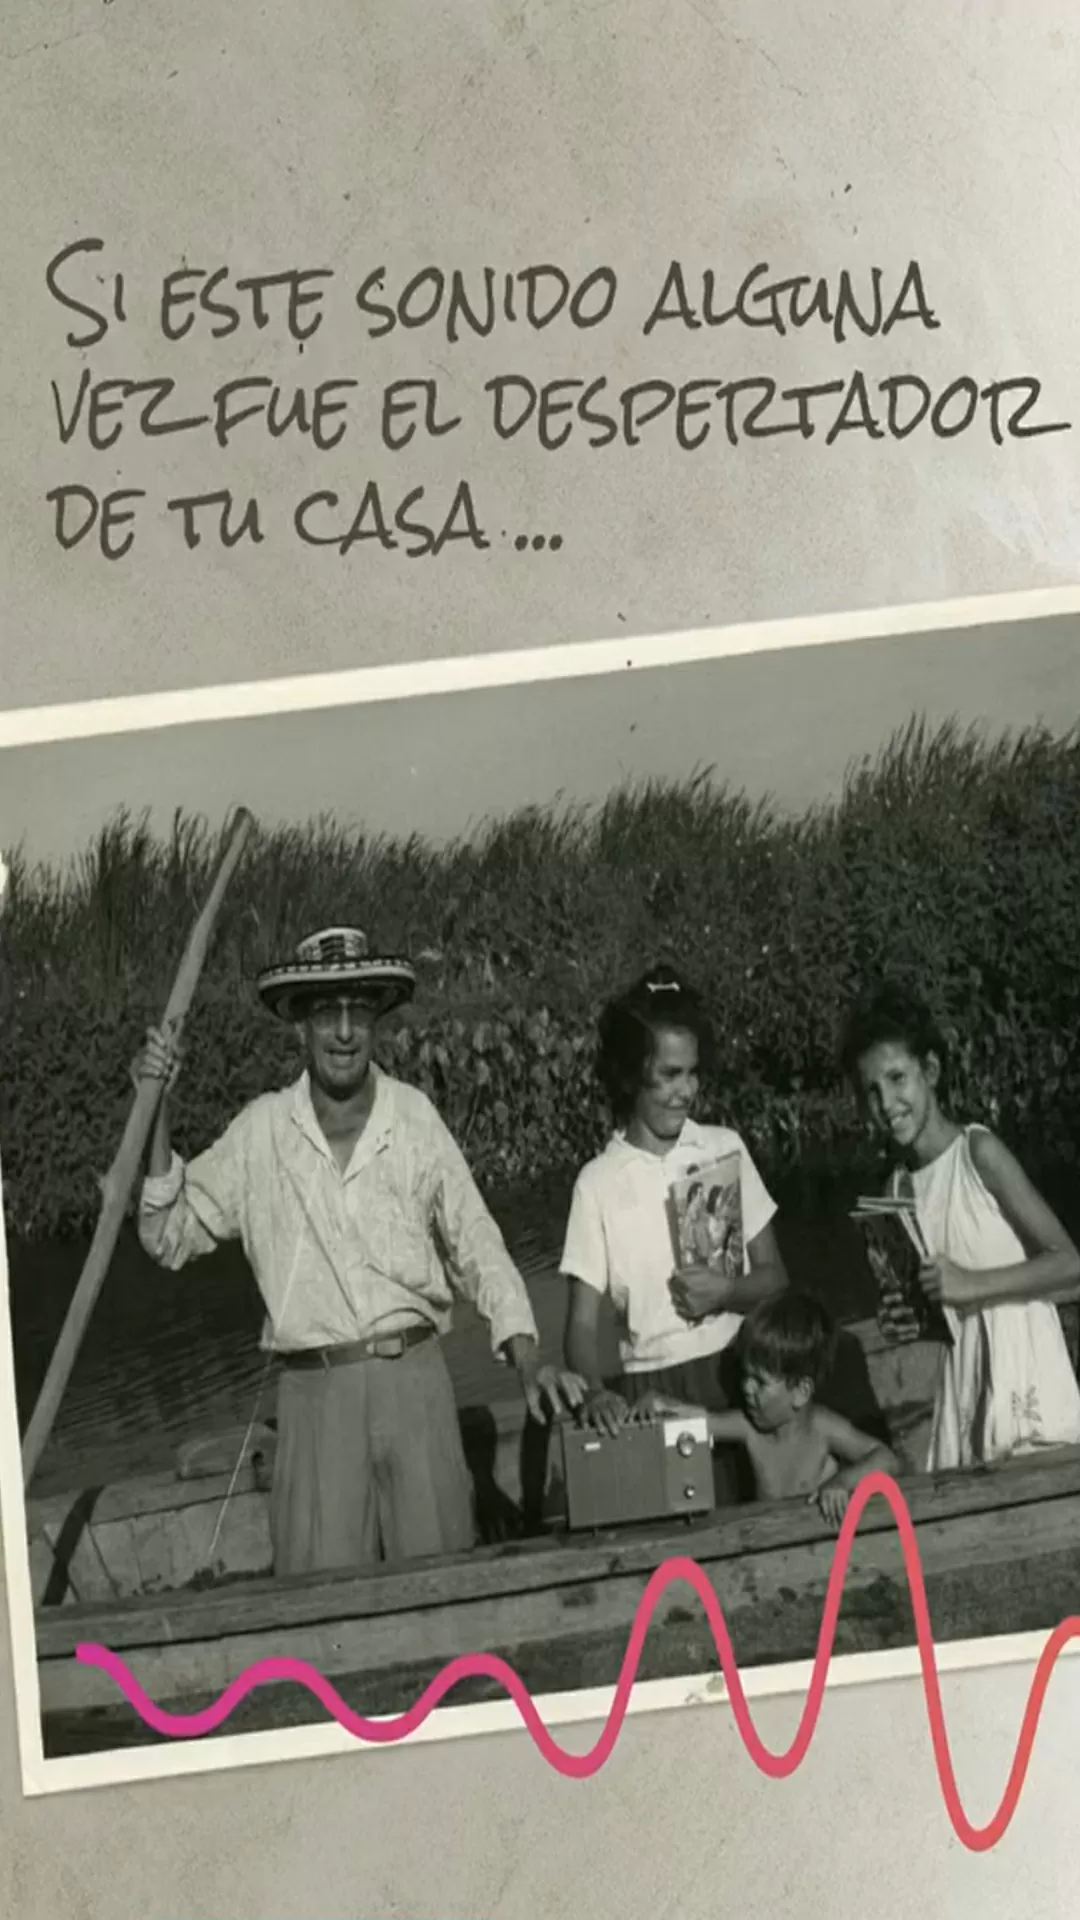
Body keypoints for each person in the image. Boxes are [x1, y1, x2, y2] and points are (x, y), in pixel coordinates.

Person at [133, 925, 585, 1577]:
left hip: (415, 1386)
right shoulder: (261, 1132)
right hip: (314, 1399)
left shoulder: (414, 1117)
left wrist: (528, 1358)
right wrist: (158, 1109)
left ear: (376, 1022)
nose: (344, 1032)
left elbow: (477, 1242)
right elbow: (167, 1233)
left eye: (358, 1012)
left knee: (441, 1586)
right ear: (300, 1025)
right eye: (327, 1013)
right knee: (318, 1599)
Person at [559, 963, 789, 1503]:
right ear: (629, 1074)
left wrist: (728, 1292)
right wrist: (595, 1393)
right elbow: (581, 1326)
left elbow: (776, 1276)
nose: (686, 1091)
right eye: (669, 1075)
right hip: (650, 1391)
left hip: (738, 1376)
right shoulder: (597, 1182)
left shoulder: (723, 1147)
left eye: (693, 1073)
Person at [840, 982, 1080, 1471]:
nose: (887, 1103)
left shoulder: (978, 1154)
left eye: (897, 1078)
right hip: (966, 1378)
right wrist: (910, 1318)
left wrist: (971, 1284)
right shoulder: (897, 1189)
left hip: (1024, 1364)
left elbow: (1069, 1264)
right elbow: (942, 1308)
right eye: (871, 1091)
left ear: (930, 1071)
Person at [642, 1291, 899, 1529]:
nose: (747, 1388)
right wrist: (660, 1404)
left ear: (800, 1392)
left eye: (760, 1382)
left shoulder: (822, 1427)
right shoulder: (749, 1428)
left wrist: (843, 1482)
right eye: (746, 1376)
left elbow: (886, 1459)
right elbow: (700, 1421)